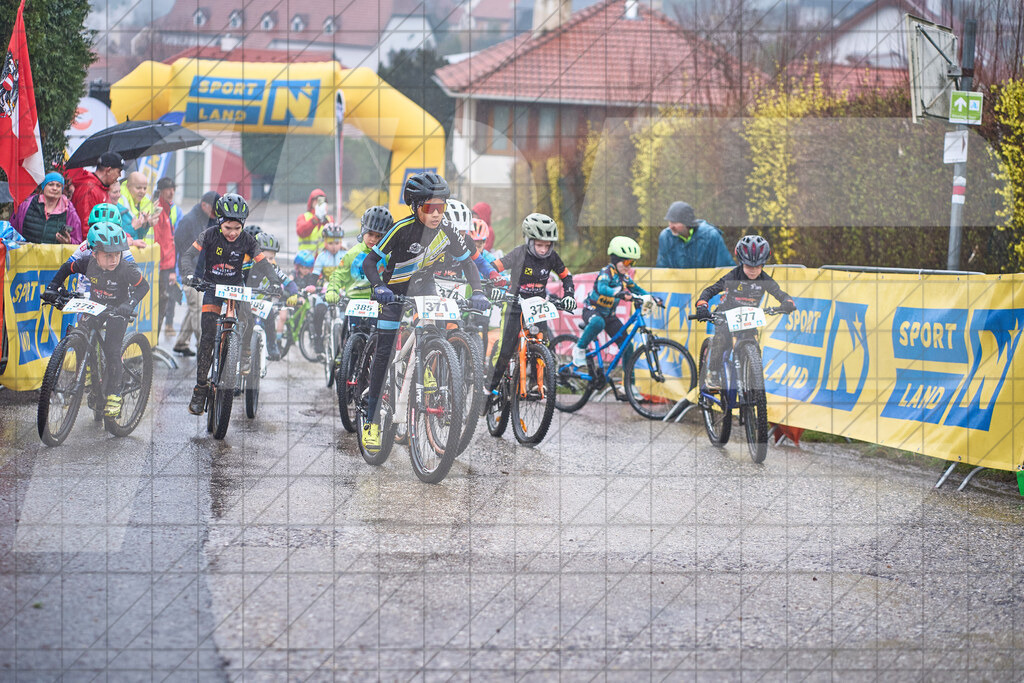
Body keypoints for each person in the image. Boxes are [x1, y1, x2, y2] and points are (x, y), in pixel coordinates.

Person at [359, 172, 489, 451]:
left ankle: (427, 362)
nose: (436, 214)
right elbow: (369, 263)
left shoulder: (448, 230)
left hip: (425, 286)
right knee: (384, 354)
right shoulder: (401, 229)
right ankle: (371, 421)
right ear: (415, 206)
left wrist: (478, 292)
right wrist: (379, 286)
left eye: (441, 207)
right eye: (430, 208)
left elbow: (469, 264)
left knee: (436, 329)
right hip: (395, 290)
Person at [179, 193, 283, 415]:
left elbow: (263, 264)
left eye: (237, 227)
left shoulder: (247, 240)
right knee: (207, 336)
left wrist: (275, 281)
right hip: (212, 288)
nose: (233, 232)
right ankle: (200, 388)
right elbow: (187, 257)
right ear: (219, 222)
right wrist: (188, 275)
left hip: (237, 288)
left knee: (248, 316)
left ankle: (244, 352)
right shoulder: (208, 235)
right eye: (228, 227)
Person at [42, 222, 150, 418]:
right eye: (108, 255)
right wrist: (52, 287)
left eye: (117, 254)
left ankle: (114, 395)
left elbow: (143, 286)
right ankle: (90, 375)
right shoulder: (87, 264)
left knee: (112, 350)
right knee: (82, 333)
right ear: (94, 254)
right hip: (95, 307)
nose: (113, 259)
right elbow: (67, 268)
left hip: (117, 311)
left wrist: (129, 304)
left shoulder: (125, 268)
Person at [487, 213, 576, 400]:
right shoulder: (519, 254)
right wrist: (493, 285)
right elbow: (493, 267)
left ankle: (536, 384)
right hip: (515, 306)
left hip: (538, 307)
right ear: (528, 241)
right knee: (506, 350)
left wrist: (569, 295)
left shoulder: (552, 258)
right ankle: (489, 389)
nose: (544, 250)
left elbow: (566, 276)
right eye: (539, 245)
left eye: (547, 245)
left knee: (543, 344)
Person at [693, 235, 797, 389]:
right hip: (726, 315)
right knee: (721, 340)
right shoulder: (733, 276)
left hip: (749, 318)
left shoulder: (765, 279)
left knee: (754, 346)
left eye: (757, 266)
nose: (753, 271)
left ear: (763, 264)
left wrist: (787, 302)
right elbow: (711, 290)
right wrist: (702, 305)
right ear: (741, 263)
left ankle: (753, 379)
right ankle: (713, 373)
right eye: (749, 266)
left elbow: (779, 293)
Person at [572, 236, 651, 367]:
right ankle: (579, 348)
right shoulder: (606, 272)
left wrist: (651, 297)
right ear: (616, 260)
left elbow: (637, 289)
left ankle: (628, 384)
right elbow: (603, 288)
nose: (629, 267)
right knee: (598, 322)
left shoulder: (625, 277)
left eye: (632, 263)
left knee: (627, 346)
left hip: (609, 316)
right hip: (592, 310)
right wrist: (617, 292)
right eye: (626, 263)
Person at [172, 191, 219, 356]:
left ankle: (181, 343)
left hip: (204, 272)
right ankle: (204, 346)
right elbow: (178, 244)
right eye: (214, 210)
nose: (215, 214)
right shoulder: (189, 220)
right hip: (191, 272)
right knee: (199, 309)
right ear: (204, 205)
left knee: (194, 307)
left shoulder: (212, 219)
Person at [325, 205, 392, 305]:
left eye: (378, 236)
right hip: (353, 303)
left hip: (379, 303)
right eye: (370, 234)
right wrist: (332, 290)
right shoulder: (352, 254)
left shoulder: (387, 255)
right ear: (363, 231)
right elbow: (338, 275)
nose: (373, 239)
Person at [253, 231, 301, 361]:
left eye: (271, 258)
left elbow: (289, 283)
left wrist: (294, 294)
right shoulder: (247, 267)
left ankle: (272, 346)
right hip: (247, 303)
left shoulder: (274, 269)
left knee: (269, 322)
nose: (268, 262)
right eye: (264, 258)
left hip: (264, 304)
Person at [655, 201, 734, 269]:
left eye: (675, 222)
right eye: (670, 222)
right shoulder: (665, 237)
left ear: (687, 223)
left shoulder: (711, 236)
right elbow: (661, 270)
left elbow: (725, 267)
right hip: (677, 286)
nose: (671, 226)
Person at [11, 172, 83, 244]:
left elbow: (77, 241)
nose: (55, 188)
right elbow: (11, 231)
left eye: (58, 186)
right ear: (43, 186)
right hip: (26, 254)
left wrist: (69, 242)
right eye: (51, 184)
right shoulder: (26, 205)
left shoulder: (69, 211)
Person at [309, 224, 345, 359]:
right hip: (325, 289)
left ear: (341, 242)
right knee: (318, 310)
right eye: (330, 243)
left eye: (337, 243)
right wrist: (311, 286)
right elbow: (314, 274)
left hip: (342, 290)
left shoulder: (346, 255)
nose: (334, 246)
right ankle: (318, 338)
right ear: (325, 242)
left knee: (346, 316)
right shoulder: (322, 256)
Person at [152, 177, 180, 337]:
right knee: (160, 303)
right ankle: (151, 343)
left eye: (173, 189)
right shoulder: (158, 209)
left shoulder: (168, 209)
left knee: (167, 300)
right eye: (168, 189)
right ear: (160, 191)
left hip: (167, 265)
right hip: (160, 266)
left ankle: (154, 341)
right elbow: (158, 240)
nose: (171, 192)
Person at [70, 151, 124, 229]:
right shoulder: (88, 189)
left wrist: (127, 238)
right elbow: (86, 226)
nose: (120, 175)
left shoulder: (102, 188)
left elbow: (111, 223)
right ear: (108, 170)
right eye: (119, 171)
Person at [119, 171, 159, 243]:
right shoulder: (120, 201)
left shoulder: (148, 204)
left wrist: (147, 224)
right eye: (138, 188)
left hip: (145, 251)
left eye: (145, 188)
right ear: (128, 186)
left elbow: (140, 234)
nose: (142, 191)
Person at [295, 188, 334, 255]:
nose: (318, 203)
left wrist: (324, 220)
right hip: (305, 259)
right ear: (311, 202)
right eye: (316, 200)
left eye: (321, 200)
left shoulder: (329, 219)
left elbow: (333, 236)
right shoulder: (303, 217)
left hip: (323, 259)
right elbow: (301, 232)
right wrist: (315, 219)